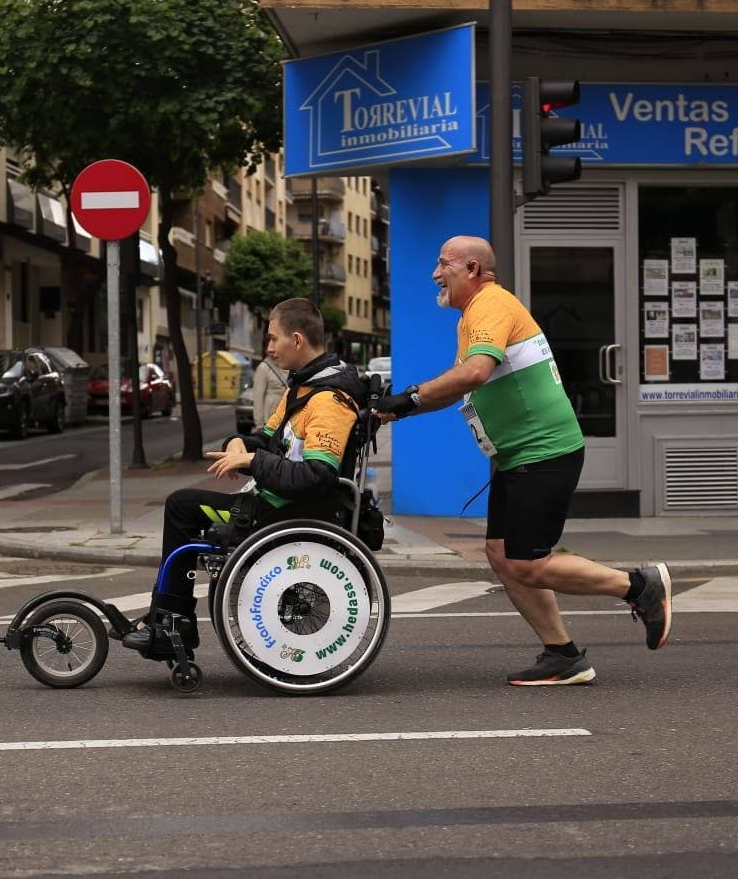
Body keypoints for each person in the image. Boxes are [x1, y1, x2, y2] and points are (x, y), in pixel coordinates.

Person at [376, 235, 672, 687]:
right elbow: (462, 384)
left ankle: (638, 586)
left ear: (472, 269)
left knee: (529, 562)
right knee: (500, 554)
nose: (436, 274)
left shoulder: (490, 305)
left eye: (444, 265)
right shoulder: (474, 316)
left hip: (545, 451)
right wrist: (399, 407)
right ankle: (563, 655)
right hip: (519, 455)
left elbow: (472, 373)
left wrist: (408, 397)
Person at [122, 298, 366, 654]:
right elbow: (265, 440)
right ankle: (171, 617)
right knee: (184, 504)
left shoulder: (328, 400)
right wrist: (237, 443)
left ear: (296, 340)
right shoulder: (302, 389)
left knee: (181, 506)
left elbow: (317, 476)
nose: (268, 348)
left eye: (273, 339)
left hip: (288, 511)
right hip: (275, 502)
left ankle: (172, 621)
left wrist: (252, 461)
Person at [252, 350, 288, 430]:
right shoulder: (263, 367)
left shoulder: (286, 364)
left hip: (285, 414)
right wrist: (259, 424)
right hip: (270, 415)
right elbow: (258, 398)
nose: (272, 348)